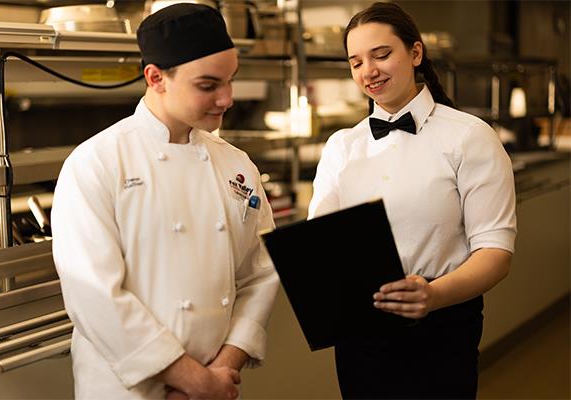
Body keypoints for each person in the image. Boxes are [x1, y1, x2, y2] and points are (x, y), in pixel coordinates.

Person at [51, 4, 279, 399]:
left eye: (230, 81)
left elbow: (261, 272)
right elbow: (94, 294)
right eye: (208, 86)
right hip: (129, 389)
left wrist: (222, 369)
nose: (226, 99)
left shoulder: (236, 164)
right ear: (156, 78)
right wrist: (192, 380)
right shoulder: (97, 163)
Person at [308, 2, 516, 399]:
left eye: (381, 55)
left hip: (443, 326)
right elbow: (324, 246)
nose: (368, 71)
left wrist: (433, 295)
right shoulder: (341, 146)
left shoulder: (469, 137)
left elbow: (495, 252)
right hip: (361, 329)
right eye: (355, 62)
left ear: (415, 53)